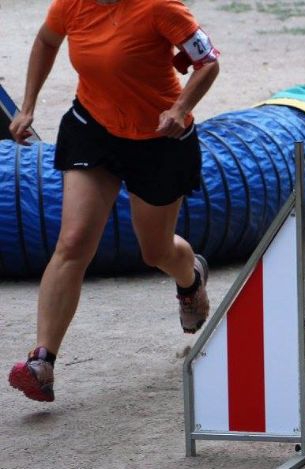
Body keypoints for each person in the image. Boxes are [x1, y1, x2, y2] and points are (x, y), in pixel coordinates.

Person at [7, 0, 221, 403]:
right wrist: (28, 105)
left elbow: (207, 62)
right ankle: (42, 362)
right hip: (93, 128)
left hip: (160, 140)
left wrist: (180, 108)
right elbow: (46, 40)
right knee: (73, 241)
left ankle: (189, 277)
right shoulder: (70, 5)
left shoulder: (162, 8)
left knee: (155, 251)